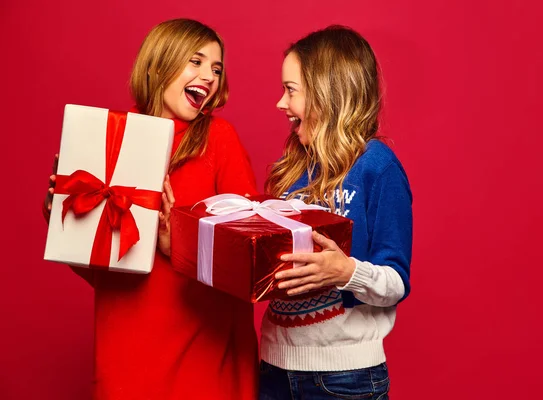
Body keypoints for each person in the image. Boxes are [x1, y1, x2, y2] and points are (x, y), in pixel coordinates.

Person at [43, 19, 258, 399]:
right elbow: (106, 272)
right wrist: (67, 224)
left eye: (217, 68)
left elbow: (248, 258)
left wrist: (178, 247)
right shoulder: (111, 139)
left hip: (203, 348)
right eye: (196, 61)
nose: (209, 76)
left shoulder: (219, 139)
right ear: (159, 65)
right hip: (125, 345)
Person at [259, 26, 413, 399]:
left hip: (344, 378)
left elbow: (396, 282)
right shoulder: (291, 166)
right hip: (275, 368)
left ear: (327, 95)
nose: (281, 103)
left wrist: (345, 271)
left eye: (291, 90)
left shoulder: (378, 167)